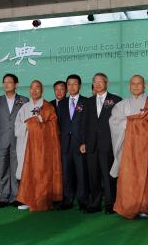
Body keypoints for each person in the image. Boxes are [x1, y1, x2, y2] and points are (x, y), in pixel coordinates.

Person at [109, 75, 148, 219]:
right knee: (129, 178)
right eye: (133, 84)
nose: (136, 86)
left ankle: (147, 207)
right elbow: (115, 123)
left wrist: (132, 121)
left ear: (144, 85)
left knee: (147, 177)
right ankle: (130, 206)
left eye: (139, 84)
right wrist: (136, 121)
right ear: (129, 86)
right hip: (128, 149)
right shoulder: (121, 105)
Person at [14, 80, 63, 211]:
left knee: (41, 173)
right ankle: (27, 199)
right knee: (27, 173)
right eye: (32, 88)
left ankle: (42, 199)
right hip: (26, 145)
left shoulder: (47, 107)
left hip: (42, 148)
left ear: (42, 90)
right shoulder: (24, 107)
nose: (34, 90)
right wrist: (30, 124)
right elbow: (17, 128)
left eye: (37, 88)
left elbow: (53, 126)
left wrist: (37, 123)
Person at [83, 73, 122, 214]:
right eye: (95, 82)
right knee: (93, 176)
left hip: (108, 144)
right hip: (91, 145)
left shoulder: (116, 100)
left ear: (106, 83)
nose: (98, 84)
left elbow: (120, 124)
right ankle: (94, 204)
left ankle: (110, 204)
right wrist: (83, 142)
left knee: (108, 176)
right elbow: (84, 124)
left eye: (101, 82)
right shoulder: (88, 102)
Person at [0, 73, 28, 208]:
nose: (6, 85)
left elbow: (27, 121)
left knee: (17, 169)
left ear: (16, 85)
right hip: (1, 140)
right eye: (4, 82)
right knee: (3, 168)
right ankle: (3, 196)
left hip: (18, 139)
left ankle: (16, 196)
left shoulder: (24, 100)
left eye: (9, 82)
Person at [57, 74, 89, 211]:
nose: (71, 87)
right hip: (64, 144)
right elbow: (59, 124)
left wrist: (85, 142)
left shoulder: (86, 102)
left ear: (80, 86)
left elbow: (89, 125)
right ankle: (67, 199)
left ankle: (83, 200)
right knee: (66, 173)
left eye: (75, 84)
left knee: (82, 174)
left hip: (80, 144)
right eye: (69, 84)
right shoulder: (62, 103)